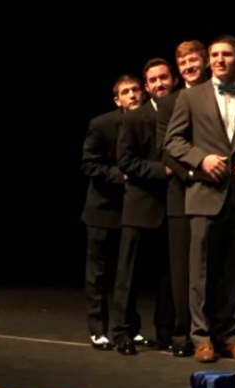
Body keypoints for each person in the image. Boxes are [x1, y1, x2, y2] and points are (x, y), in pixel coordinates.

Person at [165, 35, 235, 363]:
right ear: (209, 60)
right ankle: (201, 337)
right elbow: (173, 142)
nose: (220, 60)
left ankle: (233, 336)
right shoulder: (191, 97)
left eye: (227, 54)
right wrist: (201, 159)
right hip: (204, 195)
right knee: (201, 272)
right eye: (215, 55)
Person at [112, 58, 177, 355]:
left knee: (170, 275)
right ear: (147, 86)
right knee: (130, 274)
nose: (160, 84)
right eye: (154, 80)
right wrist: (161, 171)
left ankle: (165, 332)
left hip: (175, 207)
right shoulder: (134, 118)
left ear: (172, 80)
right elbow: (126, 162)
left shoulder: (183, 110)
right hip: (141, 206)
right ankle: (123, 332)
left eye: (164, 78)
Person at [155, 40, 211, 358]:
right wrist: (195, 174)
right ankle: (182, 332)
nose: (189, 66)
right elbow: (167, 149)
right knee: (182, 270)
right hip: (183, 194)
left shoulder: (217, 97)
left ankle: (209, 331)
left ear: (205, 62)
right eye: (183, 62)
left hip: (216, 193)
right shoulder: (169, 103)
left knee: (211, 269)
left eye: (193, 60)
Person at [80, 74, 142, 351]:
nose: (132, 95)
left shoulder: (148, 122)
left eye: (136, 89)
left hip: (134, 210)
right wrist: (122, 175)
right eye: (126, 92)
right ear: (117, 99)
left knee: (128, 274)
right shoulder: (102, 124)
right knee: (99, 273)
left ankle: (128, 327)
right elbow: (89, 165)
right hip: (103, 209)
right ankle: (98, 329)